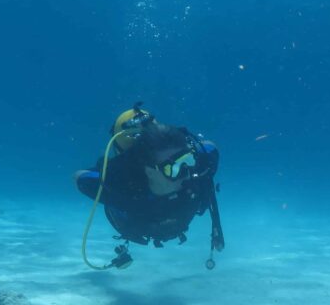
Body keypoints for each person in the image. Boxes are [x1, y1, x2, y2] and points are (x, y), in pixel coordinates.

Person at [75, 103, 224, 270]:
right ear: (149, 171)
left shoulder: (199, 168)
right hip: (138, 223)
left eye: (187, 161)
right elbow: (80, 177)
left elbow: (210, 146)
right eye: (172, 169)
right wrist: (121, 169)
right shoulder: (124, 188)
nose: (187, 173)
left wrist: (189, 150)